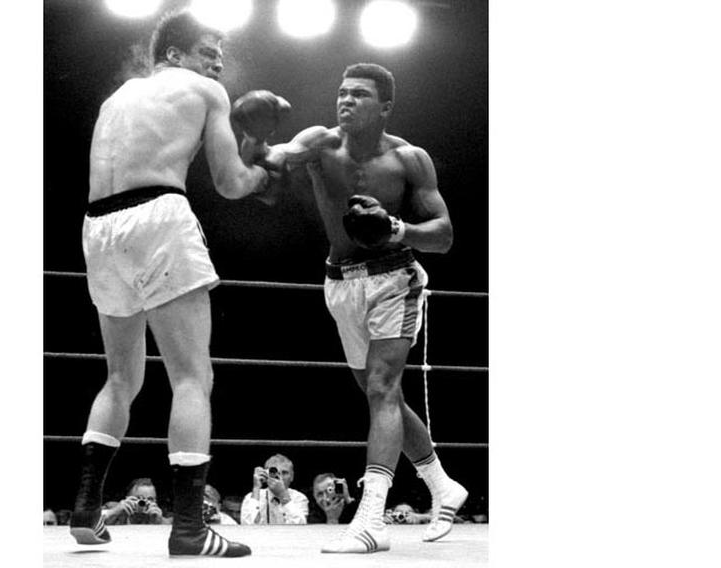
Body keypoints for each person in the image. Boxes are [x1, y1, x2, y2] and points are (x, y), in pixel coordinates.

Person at [69, 9, 273, 559]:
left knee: (120, 378)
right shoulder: (205, 91)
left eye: (220, 56)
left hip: (99, 226)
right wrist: (265, 172)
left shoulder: (118, 98)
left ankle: (86, 510)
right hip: (158, 215)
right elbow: (231, 184)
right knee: (191, 377)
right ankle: (188, 529)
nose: (217, 63)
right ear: (174, 55)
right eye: (208, 51)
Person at [256, 63, 468, 553]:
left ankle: (371, 519)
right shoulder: (320, 143)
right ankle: (442, 485)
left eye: (359, 95)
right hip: (339, 282)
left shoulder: (409, 159)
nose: (345, 101)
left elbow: (444, 234)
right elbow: (274, 159)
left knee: (381, 387)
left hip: (395, 277)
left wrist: (398, 229)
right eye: (342, 92)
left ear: (385, 107)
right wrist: (253, 137)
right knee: (380, 394)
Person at [240, 453, 309, 524]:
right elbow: (247, 525)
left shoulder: (299, 498)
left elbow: (299, 527)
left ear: (292, 476)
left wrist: (283, 495)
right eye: (274, 473)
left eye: (284, 473)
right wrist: (256, 488)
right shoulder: (251, 497)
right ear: (265, 474)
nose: (280, 477)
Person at [102, 478, 167, 525]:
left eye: (150, 499)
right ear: (127, 499)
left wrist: (160, 522)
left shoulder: (160, 515)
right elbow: (92, 521)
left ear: (156, 502)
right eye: (138, 498)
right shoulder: (114, 508)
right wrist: (111, 513)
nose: (143, 503)